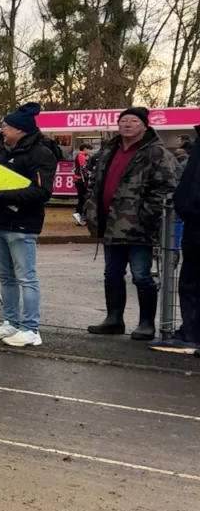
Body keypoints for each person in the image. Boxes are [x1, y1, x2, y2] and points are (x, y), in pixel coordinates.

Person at [81, 107, 176, 341]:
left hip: (139, 226)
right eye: (123, 120)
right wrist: (90, 207)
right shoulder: (108, 150)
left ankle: (146, 324)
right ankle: (114, 319)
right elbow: (94, 182)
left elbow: (166, 188)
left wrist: (146, 215)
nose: (127, 124)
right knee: (112, 273)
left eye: (134, 121)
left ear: (144, 126)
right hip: (110, 223)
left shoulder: (156, 153)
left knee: (141, 275)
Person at [0, 103, 60, 347]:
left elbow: (41, 192)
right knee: (6, 276)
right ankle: (11, 323)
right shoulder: (8, 150)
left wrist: (2, 195)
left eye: (7, 126)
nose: (2, 130)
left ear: (20, 129)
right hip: (1, 221)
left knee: (26, 277)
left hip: (22, 225)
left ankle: (31, 329)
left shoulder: (41, 153)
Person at [154, 126, 200, 353]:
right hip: (193, 222)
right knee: (190, 282)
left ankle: (191, 335)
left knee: (192, 282)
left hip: (195, 219)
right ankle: (190, 333)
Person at [73, 142, 95, 226]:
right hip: (81, 181)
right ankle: (79, 215)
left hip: (79, 180)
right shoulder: (81, 156)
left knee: (82, 199)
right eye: (89, 149)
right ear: (85, 148)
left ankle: (79, 216)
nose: (90, 151)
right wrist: (89, 174)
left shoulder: (81, 156)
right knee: (83, 199)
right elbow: (83, 167)